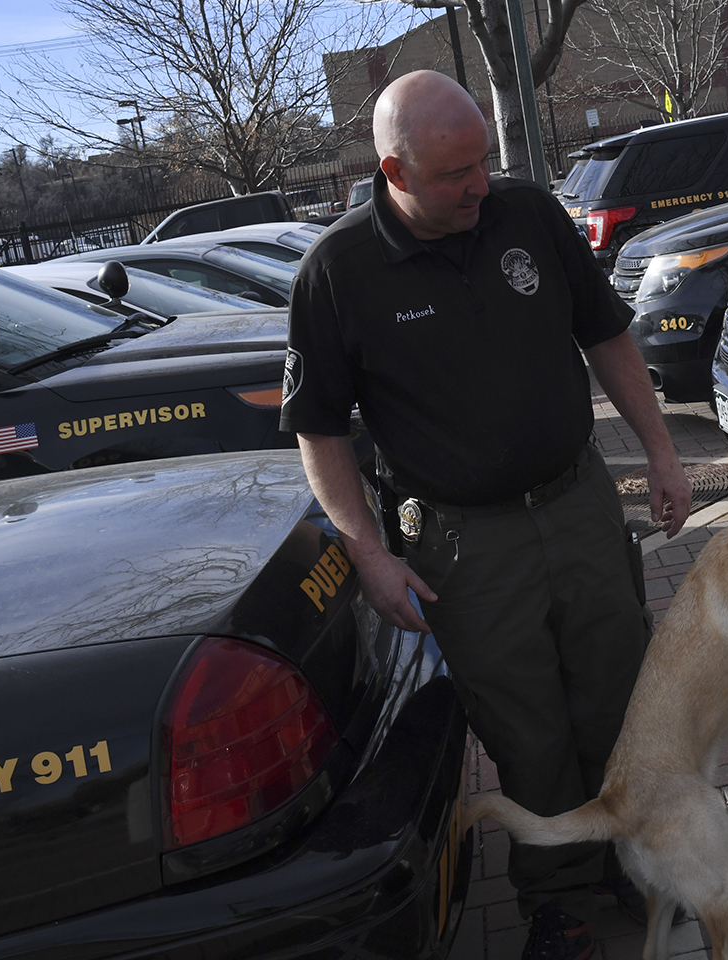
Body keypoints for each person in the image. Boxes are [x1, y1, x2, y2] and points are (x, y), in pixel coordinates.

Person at [279, 70, 693, 960]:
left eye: (484, 163)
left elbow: (606, 333)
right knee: (524, 726)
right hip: (467, 543)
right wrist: (367, 551)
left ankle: (632, 857)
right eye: (455, 173)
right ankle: (556, 895)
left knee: (619, 696)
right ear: (394, 169)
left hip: (578, 503)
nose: (479, 185)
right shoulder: (338, 272)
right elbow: (319, 430)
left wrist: (661, 450)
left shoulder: (528, 217)